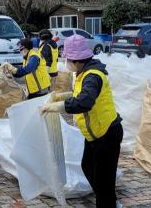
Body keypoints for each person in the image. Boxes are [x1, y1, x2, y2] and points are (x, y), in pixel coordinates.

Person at [39, 34, 122, 208]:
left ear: (77, 60)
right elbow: (80, 95)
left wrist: (57, 106)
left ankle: (108, 203)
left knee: (103, 179)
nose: (67, 62)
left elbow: (84, 101)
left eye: (69, 59)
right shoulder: (83, 73)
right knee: (88, 167)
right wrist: (61, 96)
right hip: (94, 134)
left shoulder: (93, 76)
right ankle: (110, 201)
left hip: (106, 134)